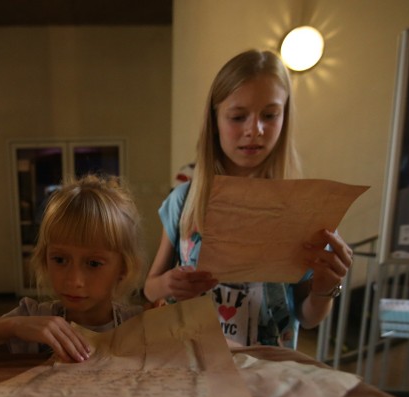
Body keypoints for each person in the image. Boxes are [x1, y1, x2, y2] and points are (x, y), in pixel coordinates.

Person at [144, 49, 353, 349]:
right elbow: (150, 289)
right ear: (214, 119)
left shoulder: (304, 208)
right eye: (238, 116)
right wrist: (167, 285)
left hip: (269, 374)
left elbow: (307, 319)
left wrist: (325, 288)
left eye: (270, 115)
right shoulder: (186, 199)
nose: (254, 130)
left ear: (285, 116)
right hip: (195, 366)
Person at [0, 174, 145, 363]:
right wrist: (15, 325)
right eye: (60, 260)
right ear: (45, 259)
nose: (74, 280)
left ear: (123, 268)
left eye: (93, 264)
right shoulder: (34, 317)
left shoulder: (138, 324)